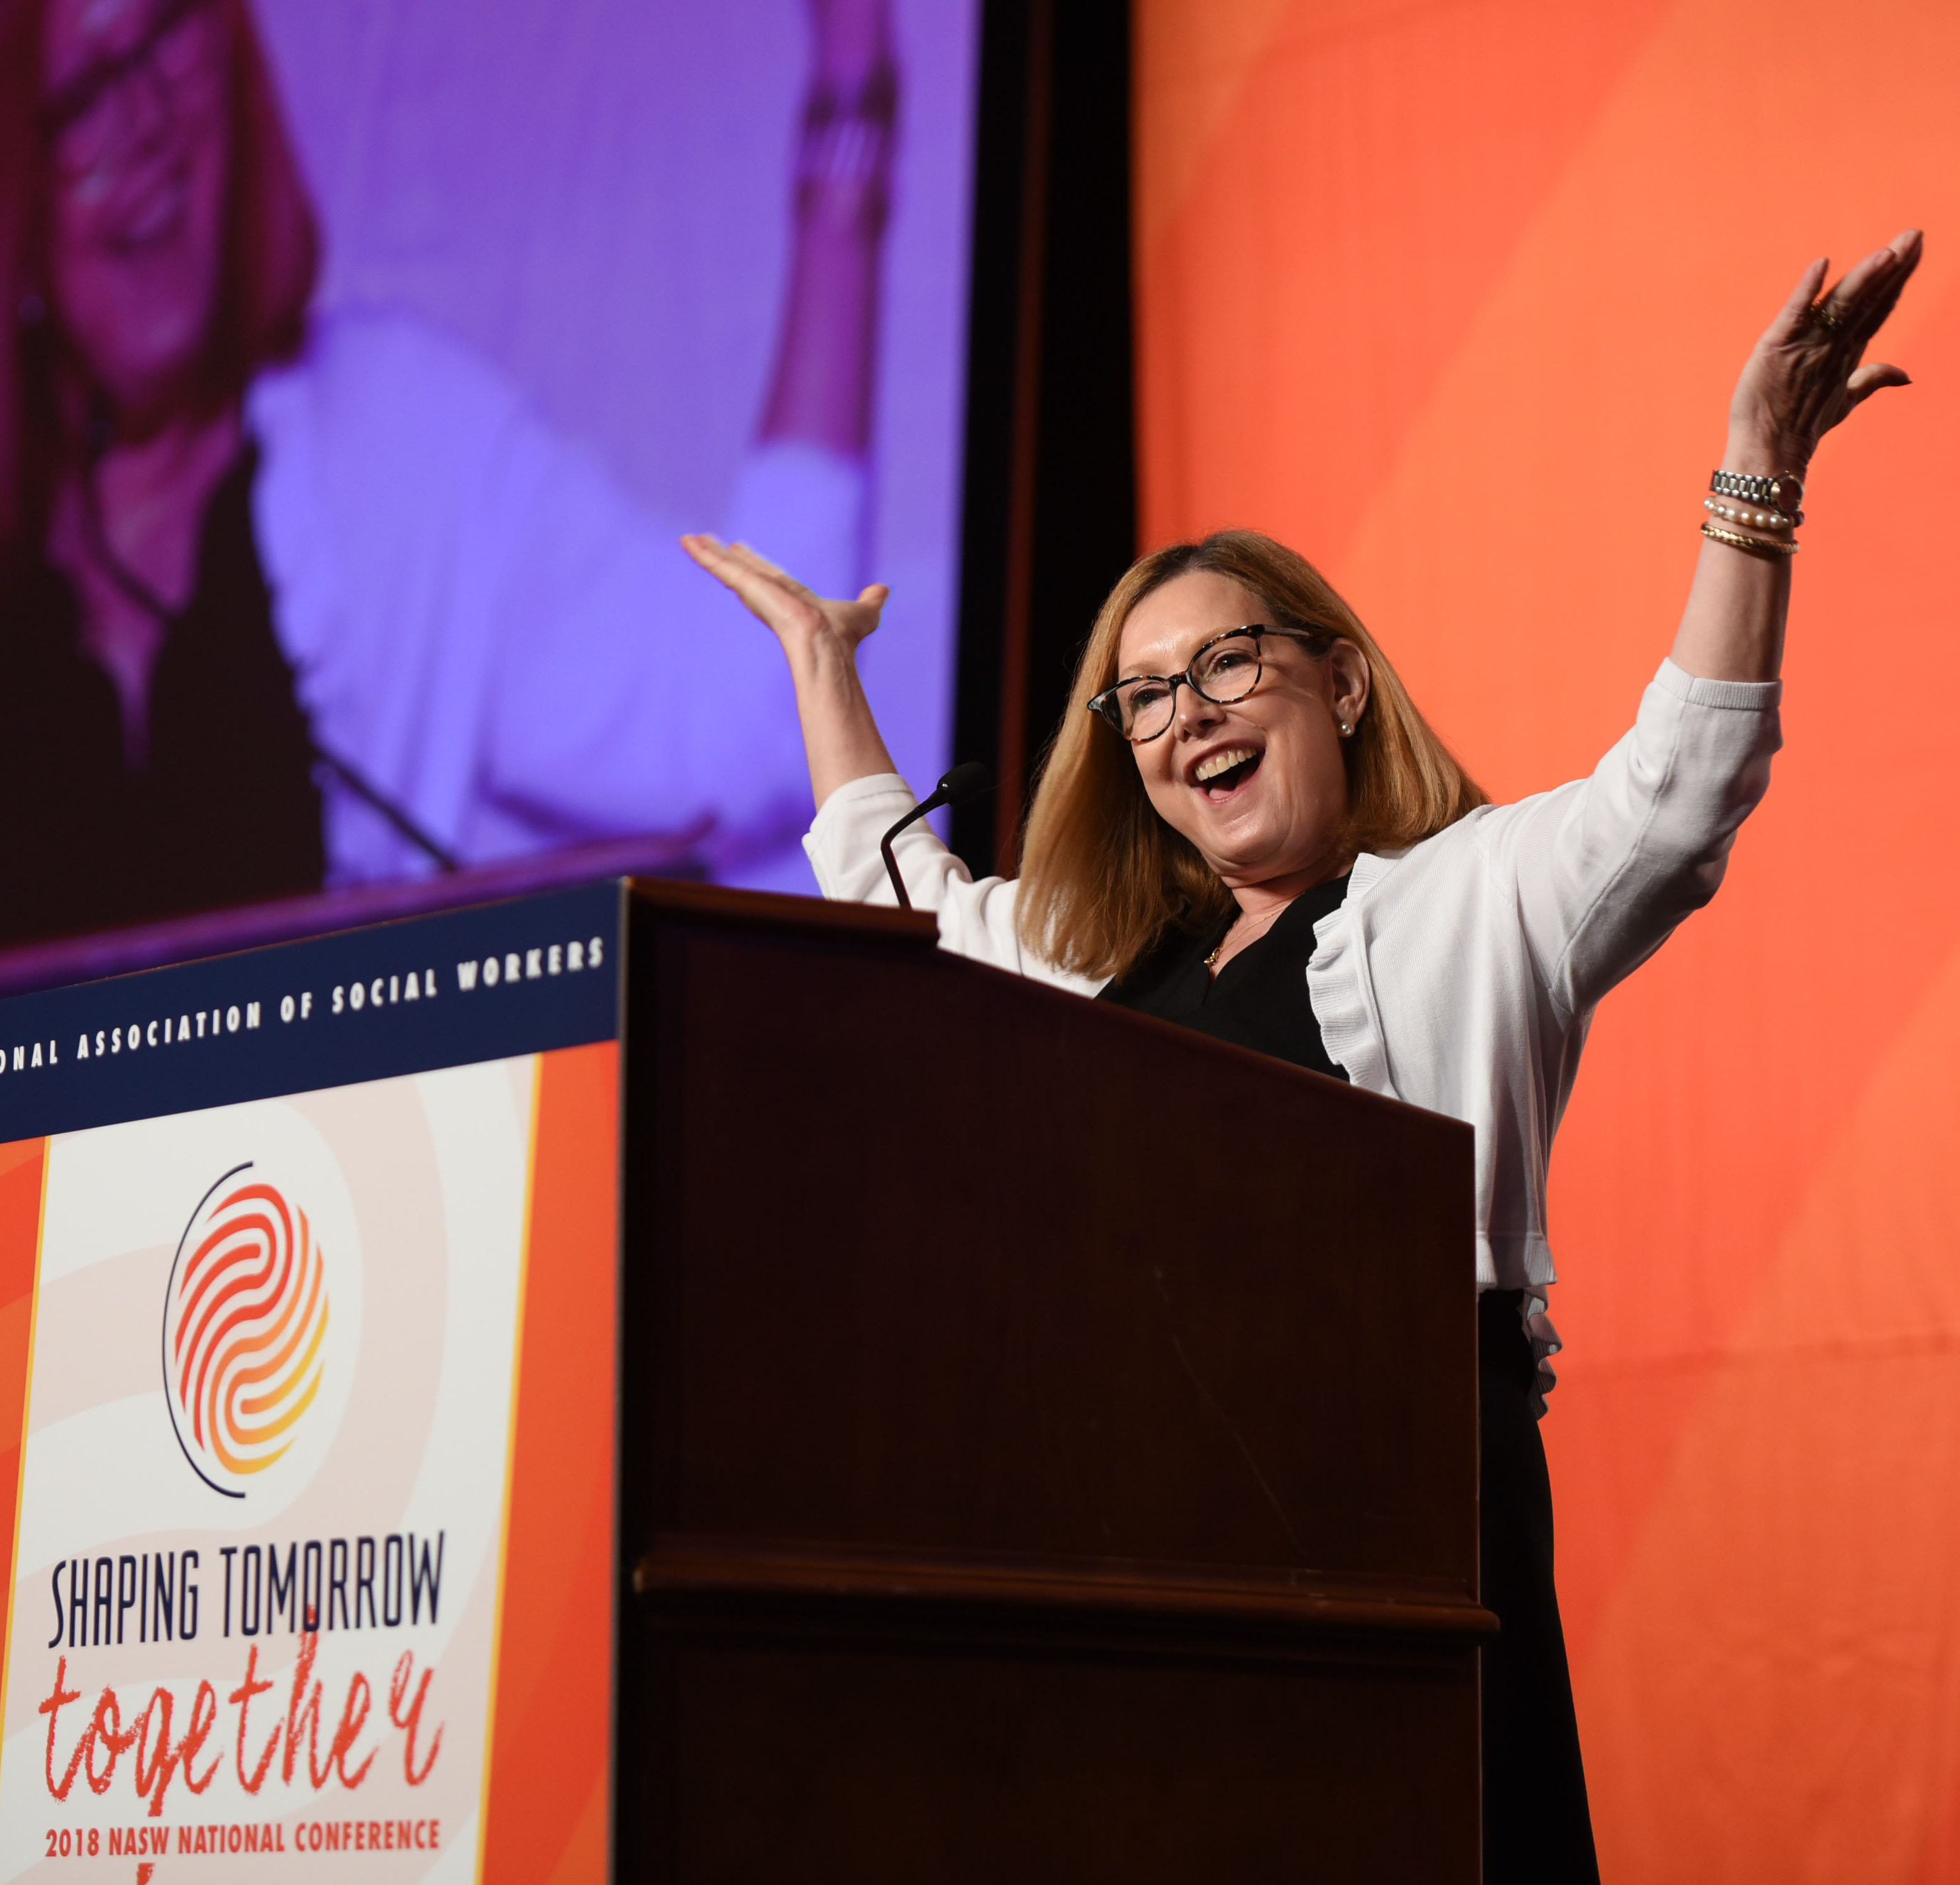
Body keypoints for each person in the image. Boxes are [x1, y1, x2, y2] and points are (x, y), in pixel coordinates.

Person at [685, 230, 1924, 1881]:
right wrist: (825, 672)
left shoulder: (1469, 906)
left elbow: (1677, 792)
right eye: (1139, 697)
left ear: (1336, 682)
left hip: (1398, 1504)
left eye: (1224, 664)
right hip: (1137, 1536)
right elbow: (904, 903)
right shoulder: (1090, 967)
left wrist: (1752, 478)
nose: (1185, 712)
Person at [0, 0, 898, 1019]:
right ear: (17, 215)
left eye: (173, 39)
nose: (148, 120)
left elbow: (755, 718)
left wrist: (849, 127)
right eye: (83, 93)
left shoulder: (395, 449)